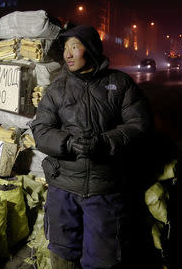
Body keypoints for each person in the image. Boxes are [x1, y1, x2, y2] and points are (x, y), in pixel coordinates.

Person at [30, 25, 153, 268]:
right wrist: (67, 143)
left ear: (93, 49)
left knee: (103, 258)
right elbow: (41, 129)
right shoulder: (57, 88)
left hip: (104, 188)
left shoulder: (120, 84)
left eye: (75, 46)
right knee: (62, 254)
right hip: (63, 187)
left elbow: (140, 126)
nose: (68, 54)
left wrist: (104, 142)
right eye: (65, 48)